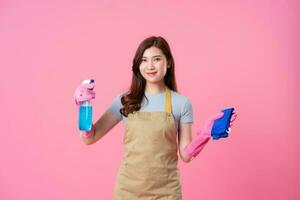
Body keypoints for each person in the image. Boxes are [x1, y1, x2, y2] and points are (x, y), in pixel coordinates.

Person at [74, 36, 237, 200]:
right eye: (144, 60)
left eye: (156, 59)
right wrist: (82, 108)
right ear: (138, 65)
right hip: (127, 191)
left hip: (167, 193)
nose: (150, 66)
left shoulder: (181, 103)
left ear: (168, 62)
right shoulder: (124, 101)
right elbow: (90, 137)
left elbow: (186, 155)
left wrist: (205, 134)